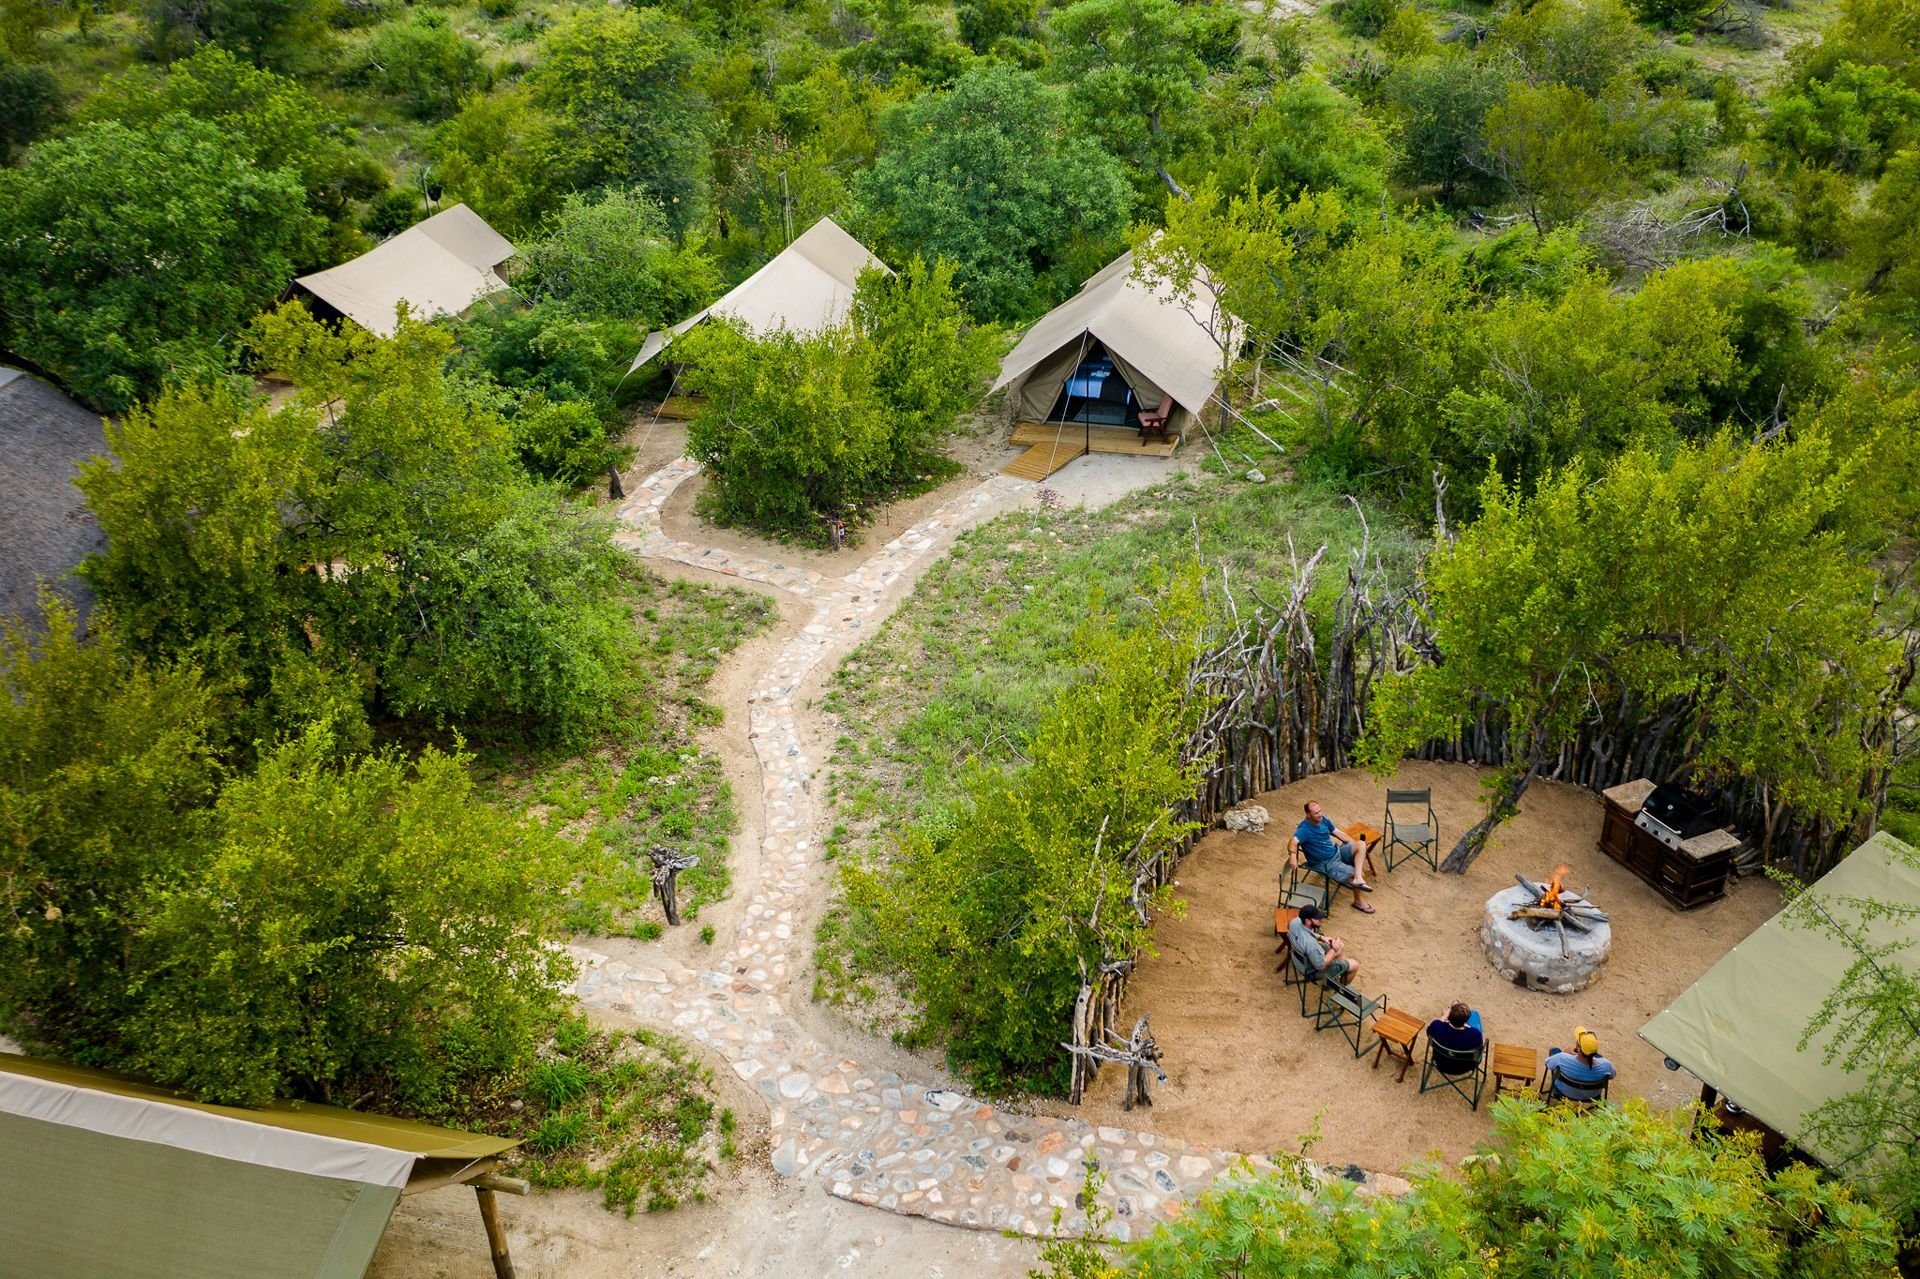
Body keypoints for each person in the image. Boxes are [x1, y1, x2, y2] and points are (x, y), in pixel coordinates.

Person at [1294, 799, 1378, 913]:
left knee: (1361, 844)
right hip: (1326, 864)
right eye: (1316, 813)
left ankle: (1358, 878)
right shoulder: (1303, 829)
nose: (1320, 815)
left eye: (1320, 811)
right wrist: (1293, 855)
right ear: (1308, 815)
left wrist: (1353, 845)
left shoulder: (1324, 820)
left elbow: (1340, 834)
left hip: (1336, 851)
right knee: (1360, 872)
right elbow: (1292, 843)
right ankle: (1358, 901)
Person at [1286, 903, 1360, 985]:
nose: (1320, 920)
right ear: (1307, 921)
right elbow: (1321, 965)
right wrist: (1333, 949)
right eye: (1317, 919)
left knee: (1341, 946)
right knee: (1354, 964)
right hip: (1310, 970)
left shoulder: (1295, 922)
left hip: (1299, 960)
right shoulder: (1311, 945)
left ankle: (1329, 980)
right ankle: (1339, 989)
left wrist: (1321, 937)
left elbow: (1304, 932)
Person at [1543, 1026, 1617, 1102]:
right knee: (1599, 1057)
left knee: (1554, 1050)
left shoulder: (1561, 1058)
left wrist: (1564, 1053)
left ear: (1578, 1049)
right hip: (1592, 1096)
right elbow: (1612, 1076)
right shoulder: (1606, 1065)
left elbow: (1548, 1064)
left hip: (1563, 1091)